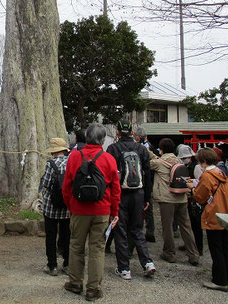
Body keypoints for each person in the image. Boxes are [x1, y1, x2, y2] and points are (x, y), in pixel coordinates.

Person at [62, 123, 121, 301]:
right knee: (97, 248)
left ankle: (75, 282)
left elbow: (66, 186)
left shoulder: (74, 157)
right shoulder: (108, 158)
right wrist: (114, 211)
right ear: (103, 140)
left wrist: (70, 206)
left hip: (79, 209)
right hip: (101, 210)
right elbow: (116, 189)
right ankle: (93, 289)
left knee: (76, 246)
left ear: (86, 137)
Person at [107, 120, 155, 280]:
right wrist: (147, 197)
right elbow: (147, 175)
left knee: (120, 230)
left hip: (120, 194)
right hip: (138, 193)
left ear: (117, 132)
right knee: (136, 229)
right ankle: (147, 262)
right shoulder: (141, 149)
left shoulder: (113, 149)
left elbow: (110, 176)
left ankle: (124, 268)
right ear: (133, 133)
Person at [150, 138, 200, 265]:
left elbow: (150, 163)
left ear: (161, 149)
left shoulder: (159, 163)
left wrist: (148, 152)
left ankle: (169, 252)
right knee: (186, 226)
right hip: (182, 197)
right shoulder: (179, 161)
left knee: (167, 227)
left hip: (167, 198)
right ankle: (193, 254)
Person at [190, 148, 228, 292]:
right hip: (226, 212)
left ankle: (220, 280)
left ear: (202, 161)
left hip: (214, 214)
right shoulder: (221, 172)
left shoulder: (207, 175)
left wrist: (193, 190)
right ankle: (227, 277)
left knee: (216, 248)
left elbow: (200, 196)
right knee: (225, 247)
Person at [40, 137, 70, 276]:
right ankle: (67, 263)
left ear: (53, 151)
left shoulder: (50, 164)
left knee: (51, 236)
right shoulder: (71, 162)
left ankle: (52, 265)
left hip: (51, 206)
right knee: (66, 235)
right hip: (67, 206)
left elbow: (45, 183)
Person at [177, 145, 203, 255]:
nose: (183, 160)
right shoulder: (187, 166)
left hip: (195, 198)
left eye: (184, 158)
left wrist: (188, 182)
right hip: (188, 196)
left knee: (196, 224)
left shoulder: (196, 167)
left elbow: (200, 182)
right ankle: (190, 244)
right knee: (189, 224)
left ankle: (198, 247)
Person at [134, 126, 155, 242]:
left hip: (142, 179)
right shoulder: (150, 145)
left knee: (143, 207)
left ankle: (144, 231)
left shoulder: (143, 147)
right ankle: (149, 230)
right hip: (148, 179)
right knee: (148, 207)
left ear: (138, 136)